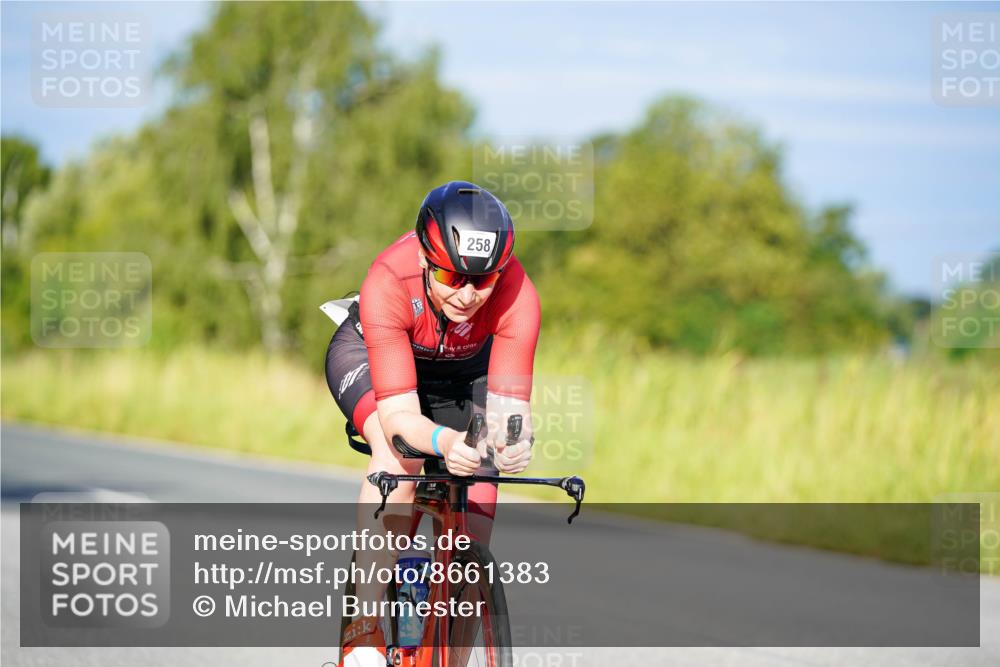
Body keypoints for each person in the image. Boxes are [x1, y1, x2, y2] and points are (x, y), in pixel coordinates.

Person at [325, 181, 540, 666]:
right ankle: (363, 629)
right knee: (398, 454)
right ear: (425, 257)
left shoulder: (518, 292)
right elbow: (400, 418)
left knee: (479, 497)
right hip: (376, 359)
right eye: (450, 275)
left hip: (463, 371)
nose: (467, 294)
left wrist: (513, 441)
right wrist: (443, 441)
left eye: (482, 281)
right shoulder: (389, 278)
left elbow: (511, 408)